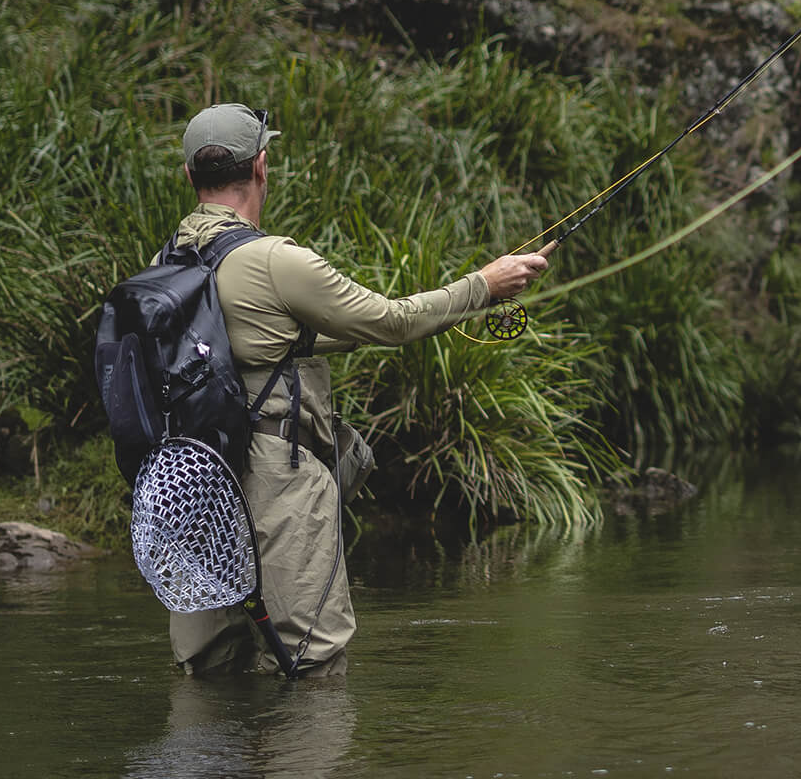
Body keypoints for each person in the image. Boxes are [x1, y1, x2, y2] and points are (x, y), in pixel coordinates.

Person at [164, 103, 553, 676]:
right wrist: (484, 286)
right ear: (262, 167)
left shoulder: (166, 262)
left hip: (190, 485)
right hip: (273, 474)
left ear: (190, 177)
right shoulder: (274, 260)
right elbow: (392, 321)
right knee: (313, 661)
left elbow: (247, 349)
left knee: (210, 668)